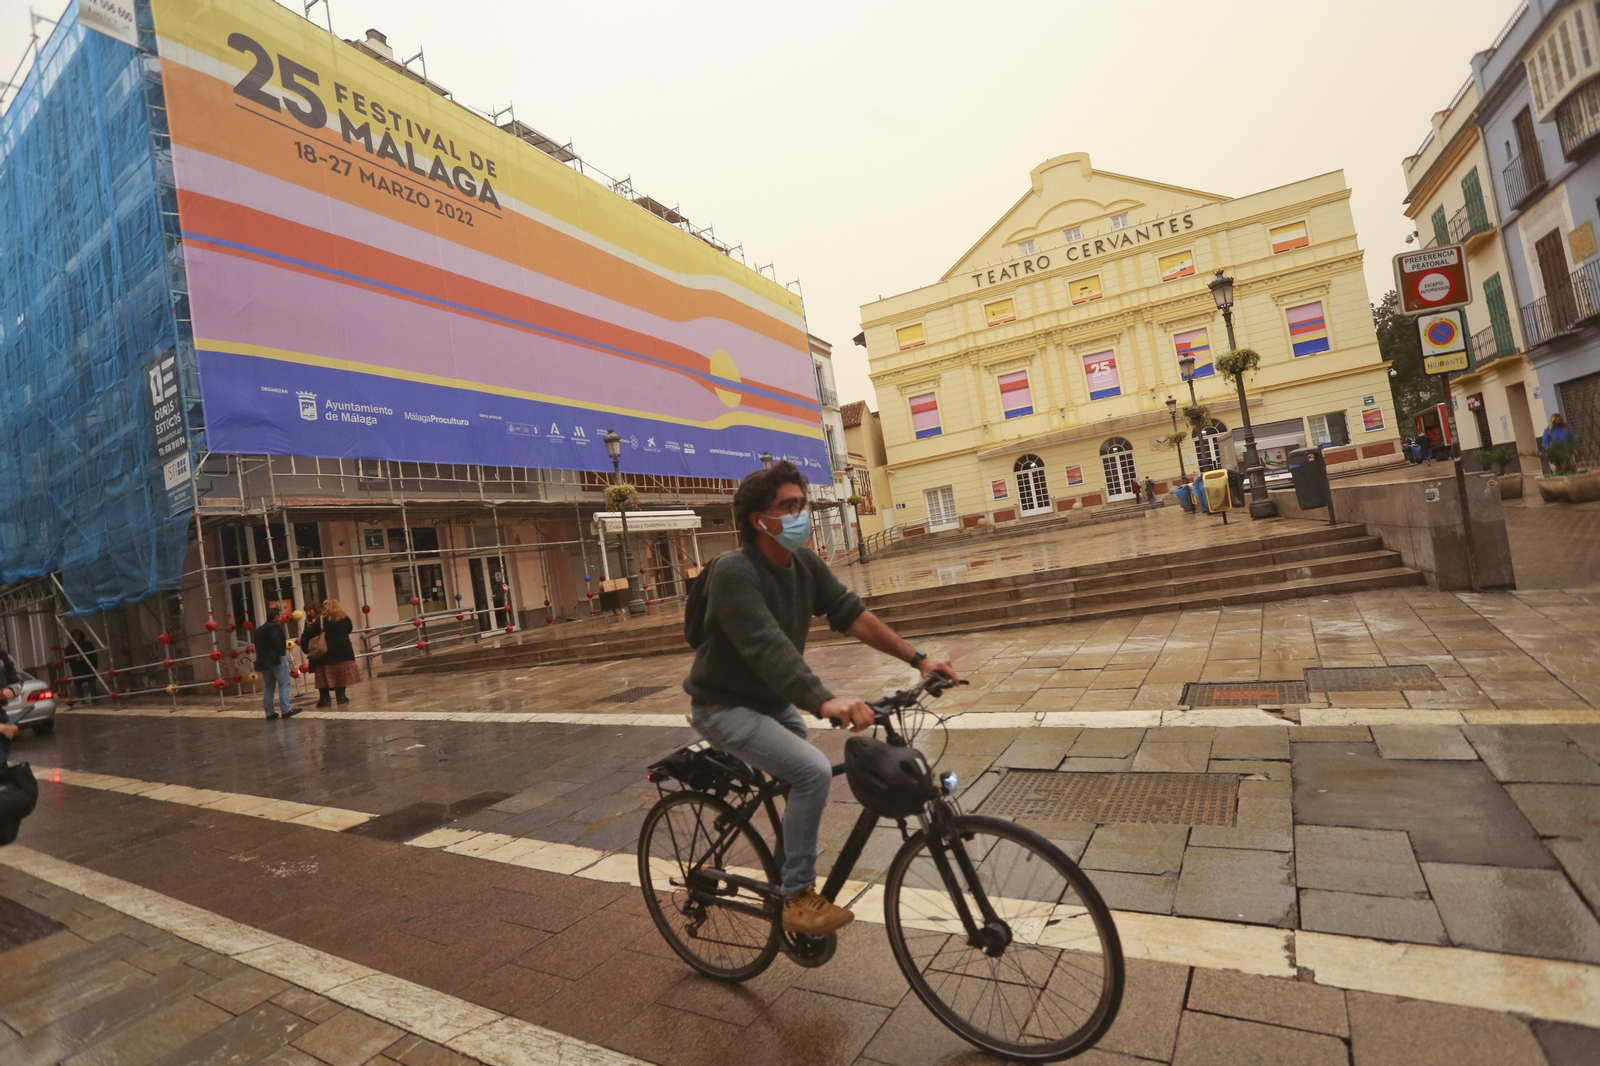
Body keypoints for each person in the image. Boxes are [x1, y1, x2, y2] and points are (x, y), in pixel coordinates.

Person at [685, 460, 959, 937]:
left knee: (802, 776)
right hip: (723, 707)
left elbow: (851, 613)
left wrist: (918, 659)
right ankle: (796, 896)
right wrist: (823, 700)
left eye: (801, 505)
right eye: (788, 506)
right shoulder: (734, 571)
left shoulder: (804, 564)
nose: (800, 515)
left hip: (769, 703)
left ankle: (788, 859)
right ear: (759, 520)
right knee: (811, 770)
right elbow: (765, 644)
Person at [311, 599, 359, 707]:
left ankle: (325, 699)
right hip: (344, 651)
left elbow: (312, 633)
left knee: (324, 675)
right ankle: (341, 696)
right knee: (342, 675)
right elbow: (349, 630)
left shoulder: (321, 620)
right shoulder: (345, 618)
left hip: (326, 653)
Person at [255, 607, 299, 720]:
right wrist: (282, 652)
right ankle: (286, 710)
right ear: (275, 618)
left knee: (269, 686)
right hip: (276, 659)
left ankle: (269, 713)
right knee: (284, 684)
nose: (280, 618)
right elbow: (277, 641)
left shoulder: (259, 630)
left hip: (263, 661)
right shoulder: (275, 627)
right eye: (279, 616)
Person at [65, 629, 98, 701]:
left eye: (79, 635)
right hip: (77, 668)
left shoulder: (88, 644)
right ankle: (82, 699)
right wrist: (75, 659)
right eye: (75, 636)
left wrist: (94, 665)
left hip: (88, 666)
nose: (78, 637)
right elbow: (67, 658)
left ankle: (94, 698)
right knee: (78, 683)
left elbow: (93, 655)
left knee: (91, 681)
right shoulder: (69, 648)